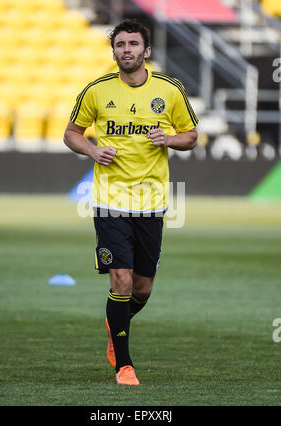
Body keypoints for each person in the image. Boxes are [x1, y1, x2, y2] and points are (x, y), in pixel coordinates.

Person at [64, 19, 198, 385]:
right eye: (120, 44)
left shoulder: (169, 91)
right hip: (110, 200)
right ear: (114, 51)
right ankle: (125, 365)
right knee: (120, 280)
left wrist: (169, 140)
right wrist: (93, 150)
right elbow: (71, 134)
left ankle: (115, 321)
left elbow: (191, 136)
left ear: (146, 50)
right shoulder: (96, 91)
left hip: (151, 202)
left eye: (133, 44)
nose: (126, 50)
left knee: (142, 288)